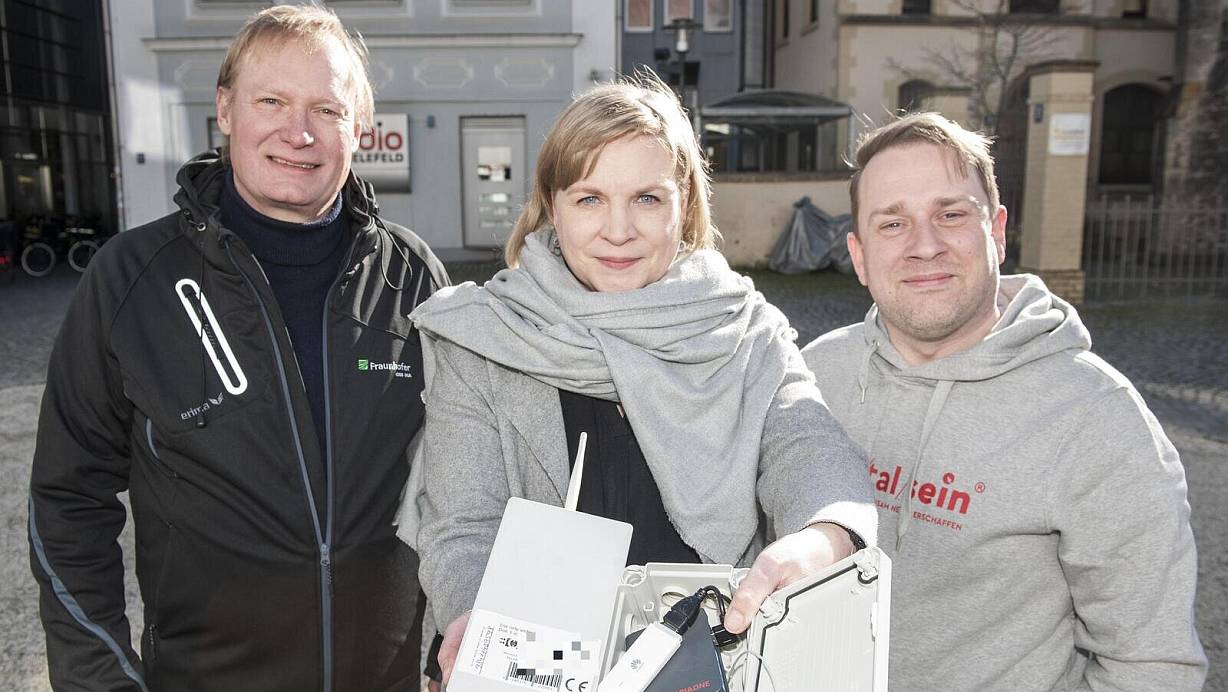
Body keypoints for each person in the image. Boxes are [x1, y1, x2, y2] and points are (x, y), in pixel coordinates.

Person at [400, 74, 876, 685]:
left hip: (707, 663)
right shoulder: (488, 336)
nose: (618, 230)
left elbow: (807, 445)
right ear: (552, 205)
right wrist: (471, 614)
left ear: (684, 205)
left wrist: (825, 536)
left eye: (647, 199)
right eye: (590, 198)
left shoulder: (743, 329)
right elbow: (464, 523)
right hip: (535, 668)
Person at [28, 5, 447, 691]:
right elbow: (67, 500)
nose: (299, 131)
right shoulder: (131, 279)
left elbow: (467, 481)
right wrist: (100, 675)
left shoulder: (412, 277)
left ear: (359, 128)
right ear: (225, 109)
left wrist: (459, 640)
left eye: (327, 109)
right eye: (272, 100)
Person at [801, 112, 1207, 691]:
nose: (925, 245)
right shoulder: (818, 374)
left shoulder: (1095, 416)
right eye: (892, 224)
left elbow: (1151, 665)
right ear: (859, 255)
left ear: (997, 231)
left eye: (951, 215)